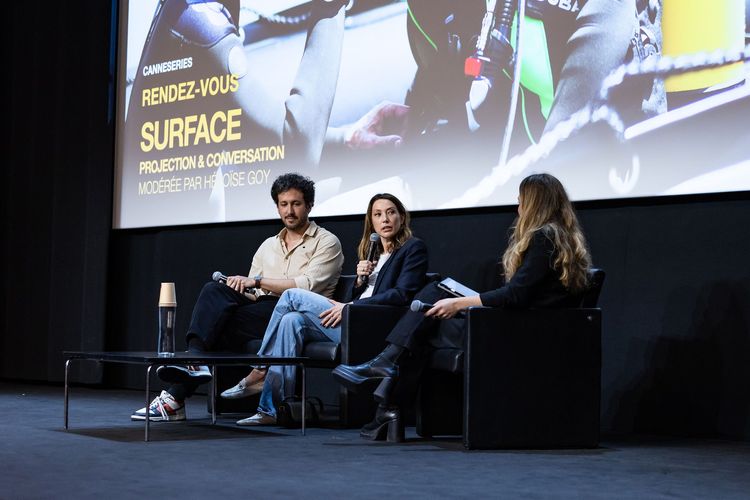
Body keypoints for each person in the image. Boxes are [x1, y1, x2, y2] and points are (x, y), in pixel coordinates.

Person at [333, 173, 592, 441]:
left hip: (518, 330)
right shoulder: (558, 238)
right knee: (432, 302)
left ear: (535, 204)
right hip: (525, 324)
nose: (518, 209)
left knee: (425, 323)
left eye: (521, 202)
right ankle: (387, 387)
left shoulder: (543, 239)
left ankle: (387, 393)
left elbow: (516, 294)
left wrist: (459, 303)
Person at [132, 173, 344, 421]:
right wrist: (238, 287)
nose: (289, 211)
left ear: (309, 205)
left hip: (300, 316)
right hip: (262, 311)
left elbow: (306, 286)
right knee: (214, 291)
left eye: (296, 204)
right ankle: (194, 359)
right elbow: (255, 294)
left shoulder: (327, 242)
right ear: (277, 206)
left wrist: (256, 281)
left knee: (219, 324)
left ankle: (176, 395)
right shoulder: (268, 245)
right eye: (283, 204)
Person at [219, 193, 429, 426]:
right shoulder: (374, 254)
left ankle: (260, 368)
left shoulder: (412, 248)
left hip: (374, 327)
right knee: (291, 320)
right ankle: (271, 409)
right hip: (353, 318)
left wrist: (351, 306)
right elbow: (363, 294)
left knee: (291, 295)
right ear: (371, 221)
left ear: (401, 217)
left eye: (391, 213)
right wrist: (360, 282)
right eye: (378, 214)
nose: (385, 219)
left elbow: (402, 294)